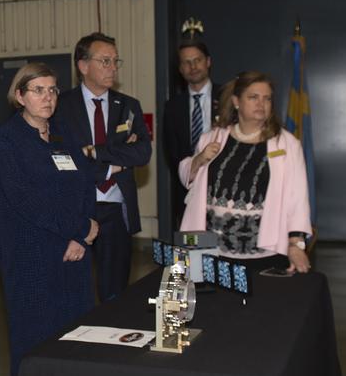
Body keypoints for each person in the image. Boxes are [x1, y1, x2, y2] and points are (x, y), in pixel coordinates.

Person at [0, 63, 97, 376]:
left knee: (75, 341)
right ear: (19, 95)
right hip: (33, 259)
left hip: (74, 256)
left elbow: (86, 184)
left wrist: (80, 236)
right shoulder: (9, 139)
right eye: (38, 90)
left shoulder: (64, 132)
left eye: (52, 90)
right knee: (34, 346)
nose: (48, 97)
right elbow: (26, 201)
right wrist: (81, 228)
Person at [177, 71, 312, 274]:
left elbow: (298, 198)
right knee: (185, 292)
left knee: (260, 295)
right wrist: (200, 159)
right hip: (205, 245)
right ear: (236, 101)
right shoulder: (213, 137)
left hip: (262, 251)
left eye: (267, 98)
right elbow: (186, 176)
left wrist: (296, 244)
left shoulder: (287, 144)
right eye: (253, 97)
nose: (261, 104)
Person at [52, 32, 152, 302]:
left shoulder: (128, 106)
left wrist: (96, 151)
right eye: (105, 61)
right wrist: (113, 165)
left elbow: (142, 152)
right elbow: (64, 158)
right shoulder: (61, 107)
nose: (113, 67)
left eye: (115, 61)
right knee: (74, 288)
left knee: (115, 290)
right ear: (83, 66)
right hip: (76, 207)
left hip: (117, 207)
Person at [162, 39, 217, 226]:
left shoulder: (227, 97)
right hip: (187, 192)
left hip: (223, 190)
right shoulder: (172, 107)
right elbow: (172, 154)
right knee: (192, 242)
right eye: (186, 62)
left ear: (208, 61)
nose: (193, 67)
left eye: (197, 60)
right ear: (180, 68)